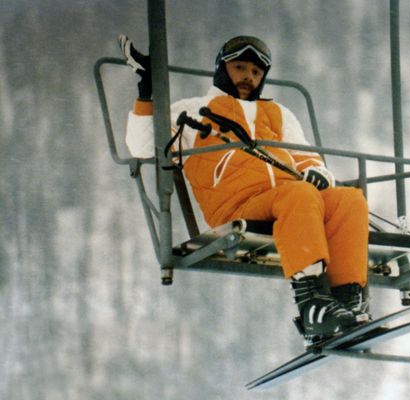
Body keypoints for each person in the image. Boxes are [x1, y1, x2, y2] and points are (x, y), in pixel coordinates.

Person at [119, 35, 370, 343]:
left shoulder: (278, 114)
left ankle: (346, 301)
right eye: (239, 68)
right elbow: (143, 146)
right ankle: (312, 305)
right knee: (299, 195)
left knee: (348, 199)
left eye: (255, 72)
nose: (248, 77)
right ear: (221, 69)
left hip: (290, 202)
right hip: (237, 207)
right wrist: (147, 90)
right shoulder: (195, 111)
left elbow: (308, 159)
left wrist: (316, 173)